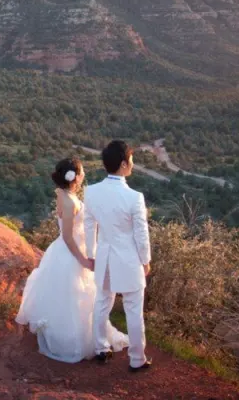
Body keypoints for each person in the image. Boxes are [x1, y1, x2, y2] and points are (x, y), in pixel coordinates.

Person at [16, 158, 129, 363]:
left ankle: (82, 335)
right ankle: (74, 341)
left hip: (68, 251)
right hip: (72, 254)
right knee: (76, 298)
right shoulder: (68, 201)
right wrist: (83, 260)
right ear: (74, 177)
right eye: (82, 172)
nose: (84, 174)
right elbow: (68, 236)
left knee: (75, 297)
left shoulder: (64, 194)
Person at [84, 140, 152, 371]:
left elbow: (89, 225)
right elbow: (141, 234)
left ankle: (101, 348)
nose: (132, 164)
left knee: (102, 304)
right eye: (131, 160)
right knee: (134, 310)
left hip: (104, 256)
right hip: (129, 259)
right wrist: (145, 260)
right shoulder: (135, 197)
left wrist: (91, 254)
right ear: (123, 164)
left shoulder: (91, 192)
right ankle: (137, 359)